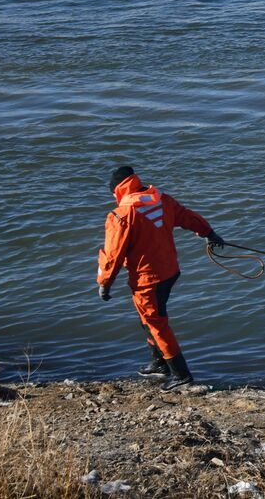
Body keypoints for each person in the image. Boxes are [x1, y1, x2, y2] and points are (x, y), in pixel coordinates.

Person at [96, 165, 225, 392]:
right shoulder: (161, 199)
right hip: (170, 272)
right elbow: (186, 216)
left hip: (148, 279)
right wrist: (209, 233)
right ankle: (159, 364)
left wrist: (104, 284)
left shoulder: (121, 215)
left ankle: (180, 374)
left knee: (156, 323)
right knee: (149, 317)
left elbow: (112, 256)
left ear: (117, 190)